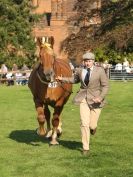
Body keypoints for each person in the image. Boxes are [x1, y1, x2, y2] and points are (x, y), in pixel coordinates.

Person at [56, 52, 109, 155]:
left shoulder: (100, 71)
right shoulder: (80, 70)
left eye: (89, 61)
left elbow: (105, 86)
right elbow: (74, 80)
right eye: (86, 61)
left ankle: (93, 129)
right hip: (83, 98)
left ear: (93, 61)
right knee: (84, 123)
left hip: (96, 100)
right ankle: (86, 148)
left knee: (92, 125)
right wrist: (62, 79)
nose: (87, 63)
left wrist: (100, 97)